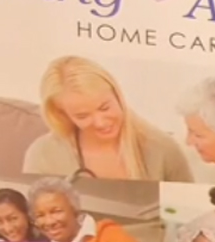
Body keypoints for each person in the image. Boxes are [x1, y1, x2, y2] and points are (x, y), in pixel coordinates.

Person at [22, 56, 193, 182]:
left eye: (105, 107)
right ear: (63, 114)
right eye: (82, 116)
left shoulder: (162, 149)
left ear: (117, 95)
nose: (101, 122)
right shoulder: (43, 155)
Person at [27, 176, 140, 242]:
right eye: (40, 215)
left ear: (75, 210)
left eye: (56, 211)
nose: (49, 222)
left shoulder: (107, 233)